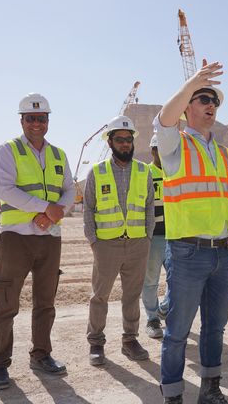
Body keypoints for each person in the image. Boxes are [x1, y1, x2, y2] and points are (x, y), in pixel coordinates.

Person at [153, 60, 228, 404]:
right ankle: (173, 395)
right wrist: (191, 83)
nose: (210, 106)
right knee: (177, 333)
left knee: (214, 329)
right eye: (202, 99)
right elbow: (163, 119)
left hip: (221, 252)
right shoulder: (175, 147)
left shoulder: (222, 152)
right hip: (187, 253)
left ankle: (210, 390)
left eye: (213, 101)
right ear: (188, 107)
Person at [0, 92, 75, 390]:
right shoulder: (8, 150)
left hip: (49, 237)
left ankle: (41, 355)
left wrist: (52, 216)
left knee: (45, 302)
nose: (36, 124)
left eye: (41, 118)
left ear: (48, 121)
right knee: (6, 304)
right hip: (15, 237)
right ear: (22, 120)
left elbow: (70, 191)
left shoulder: (59, 155)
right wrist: (43, 208)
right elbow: (6, 191)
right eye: (30, 118)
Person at [83, 115, 155, 366]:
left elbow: (148, 208)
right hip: (106, 245)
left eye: (128, 139)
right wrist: (94, 241)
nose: (125, 143)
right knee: (99, 296)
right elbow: (88, 209)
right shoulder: (97, 172)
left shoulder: (143, 171)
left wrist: (146, 237)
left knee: (132, 295)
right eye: (119, 139)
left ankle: (130, 340)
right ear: (110, 141)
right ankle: (96, 342)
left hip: (137, 244)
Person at [142, 133, 170, 339]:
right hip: (154, 237)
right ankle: (152, 319)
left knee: (178, 280)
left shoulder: (176, 172)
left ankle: (164, 309)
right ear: (153, 151)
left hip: (178, 236)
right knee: (150, 280)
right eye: (161, 148)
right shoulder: (145, 174)